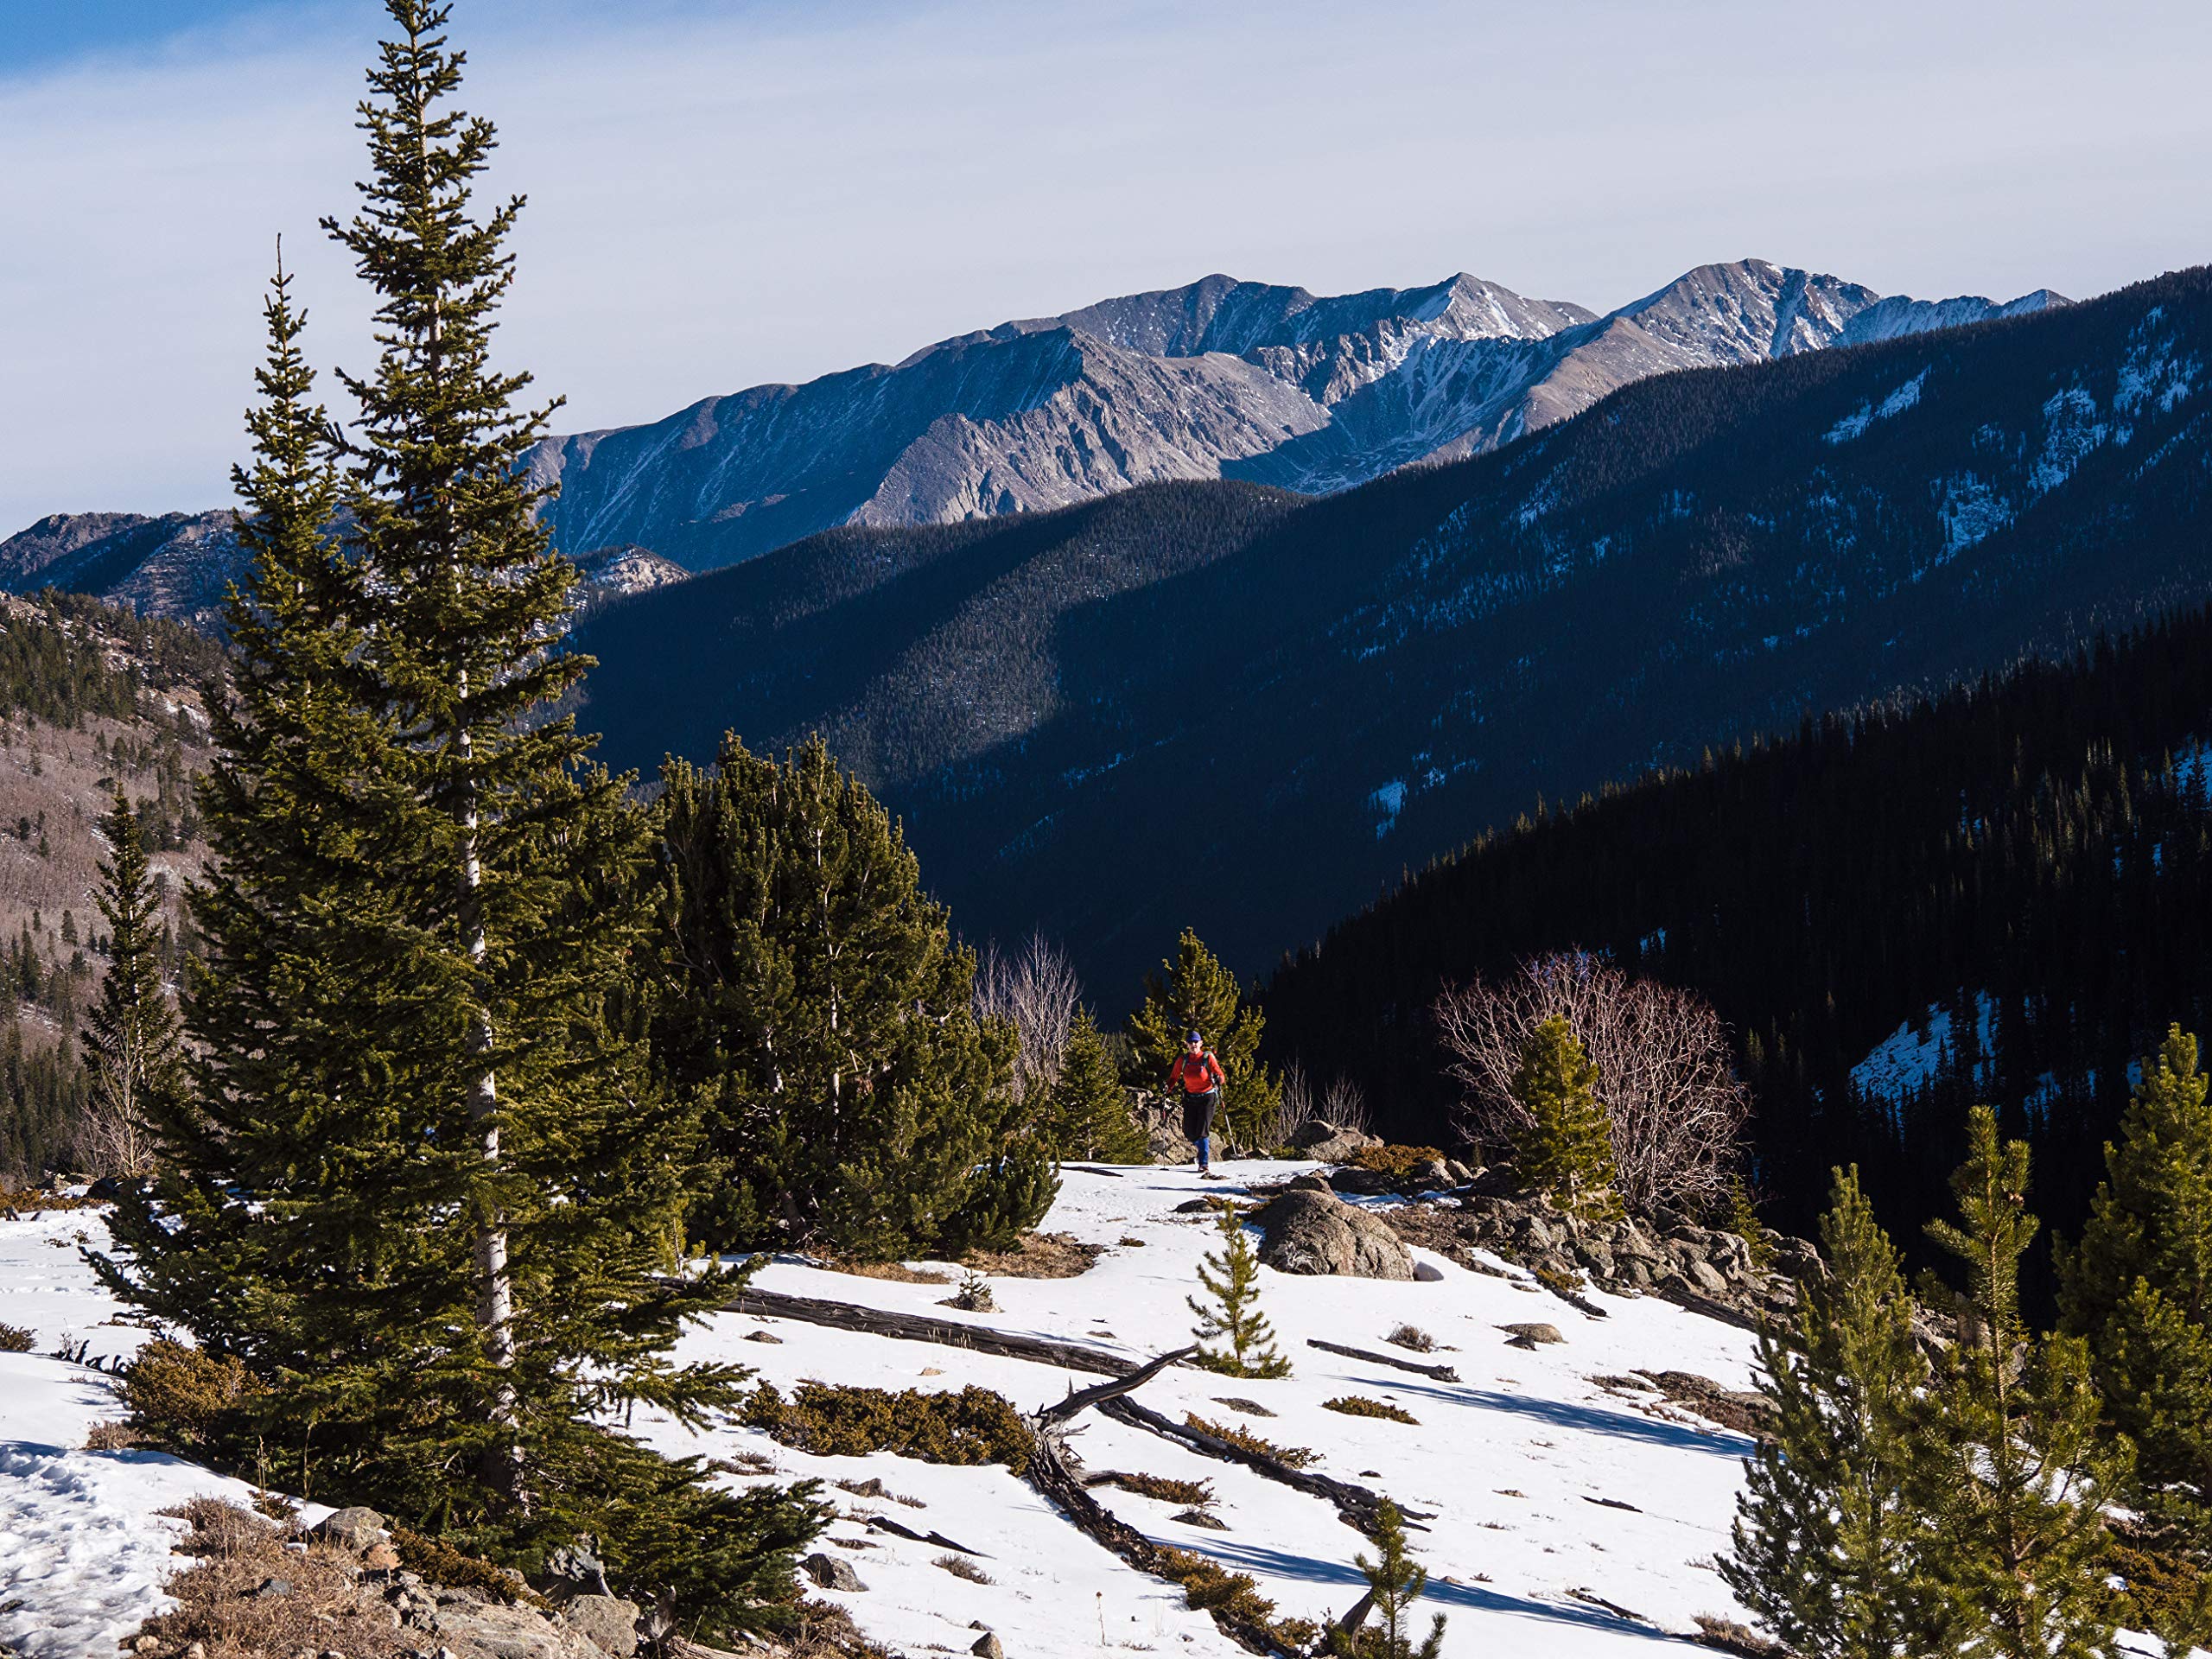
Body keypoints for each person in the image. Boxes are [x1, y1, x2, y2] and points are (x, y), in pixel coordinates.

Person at [1167, 1028, 1227, 1177]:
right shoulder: (1183, 1060)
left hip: (1207, 1098)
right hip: (1190, 1098)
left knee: (1202, 1130)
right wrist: (1167, 1090)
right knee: (1189, 1131)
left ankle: (1203, 1164)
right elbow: (1174, 1077)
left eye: (1196, 1042)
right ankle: (1202, 1149)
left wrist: (1218, 1080)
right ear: (1186, 1044)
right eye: (1190, 1042)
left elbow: (1220, 1074)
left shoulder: (1207, 1058)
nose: (1193, 1044)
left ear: (1200, 1043)